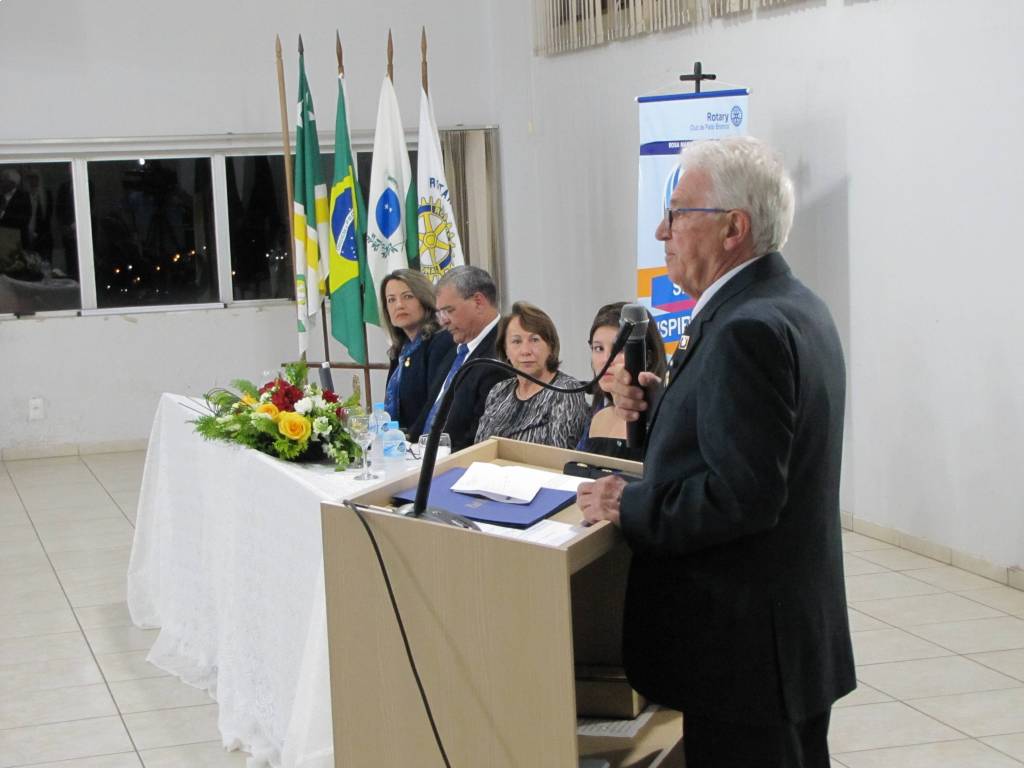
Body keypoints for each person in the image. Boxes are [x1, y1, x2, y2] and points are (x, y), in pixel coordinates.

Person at [577, 136, 854, 768]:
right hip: (783, 637)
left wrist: (626, 504)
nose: (661, 231)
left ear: (734, 227)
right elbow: (757, 443)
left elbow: (742, 498)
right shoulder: (792, 304)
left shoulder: (744, 329)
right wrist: (664, 406)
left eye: (677, 214)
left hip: (745, 653)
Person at [409, 265, 512, 451]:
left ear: (478, 302)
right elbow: (428, 413)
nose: (443, 321)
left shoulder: (502, 354)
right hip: (419, 456)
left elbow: (479, 440)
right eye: (440, 313)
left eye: (449, 310)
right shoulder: (454, 351)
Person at [475, 301, 587, 448]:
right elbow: (480, 446)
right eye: (516, 341)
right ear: (505, 350)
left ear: (551, 346)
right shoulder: (499, 391)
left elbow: (557, 454)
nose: (525, 351)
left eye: (534, 340)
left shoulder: (566, 390)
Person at [577, 301, 667, 460]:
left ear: (647, 357)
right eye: (598, 348)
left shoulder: (666, 420)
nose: (606, 360)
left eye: (619, 350)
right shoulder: (598, 417)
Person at [380, 269, 455, 431]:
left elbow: (435, 406)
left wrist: (409, 438)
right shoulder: (401, 349)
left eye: (407, 297)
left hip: (425, 441)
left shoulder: (441, 342)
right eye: (391, 300)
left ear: (424, 299)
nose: (399, 305)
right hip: (402, 440)